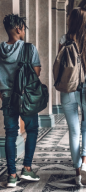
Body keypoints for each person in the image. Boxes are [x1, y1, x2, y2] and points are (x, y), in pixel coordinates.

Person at [58, 8, 86, 186]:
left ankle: (77, 172)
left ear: (73, 21)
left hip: (68, 88)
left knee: (74, 131)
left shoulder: (64, 40)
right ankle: (85, 163)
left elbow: (60, 63)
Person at [0, 14, 41, 187]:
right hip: (26, 97)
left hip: (7, 97)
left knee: (10, 133)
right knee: (32, 129)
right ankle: (27, 168)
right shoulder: (29, 49)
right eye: (24, 27)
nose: (24, 30)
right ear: (18, 28)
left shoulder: (0, 49)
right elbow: (36, 73)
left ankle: (11, 175)